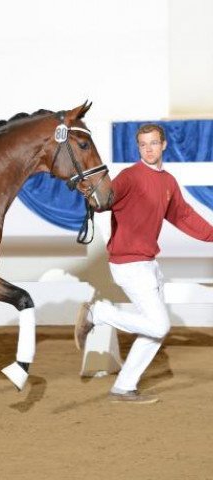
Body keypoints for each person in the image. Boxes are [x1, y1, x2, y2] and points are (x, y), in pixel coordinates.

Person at [75, 123, 213, 404]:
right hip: (129, 263)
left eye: (153, 143)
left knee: (153, 332)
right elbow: (106, 199)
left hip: (149, 263)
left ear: (163, 145)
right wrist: (94, 197)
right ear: (138, 148)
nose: (148, 149)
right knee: (160, 326)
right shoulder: (130, 176)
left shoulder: (168, 182)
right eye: (143, 144)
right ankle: (97, 314)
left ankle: (124, 387)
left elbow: (184, 216)